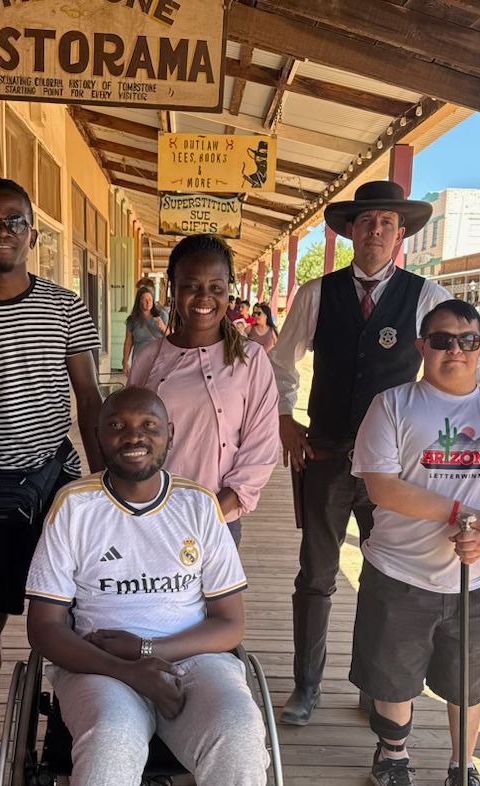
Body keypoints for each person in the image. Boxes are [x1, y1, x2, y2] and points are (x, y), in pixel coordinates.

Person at [26, 386, 267, 786]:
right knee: (109, 742)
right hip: (99, 666)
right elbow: (46, 630)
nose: (134, 436)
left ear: (170, 435)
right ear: (99, 437)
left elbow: (229, 623)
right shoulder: (75, 506)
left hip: (192, 657)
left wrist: (151, 648)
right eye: (118, 426)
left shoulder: (198, 505)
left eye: (149, 426)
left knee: (238, 737)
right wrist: (130, 668)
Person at [351, 300, 480, 786]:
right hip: (400, 571)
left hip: (477, 577)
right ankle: (393, 756)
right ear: (421, 346)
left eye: (466, 340)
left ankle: (464, 766)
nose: (453, 349)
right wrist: (463, 514)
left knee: (468, 682)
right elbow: (382, 486)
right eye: (440, 339)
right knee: (394, 678)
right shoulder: (392, 404)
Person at [0, 177, 103, 786]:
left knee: (72, 613)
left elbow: (87, 397)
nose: (2, 230)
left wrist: (102, 485)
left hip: (55, 482)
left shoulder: (66, 305)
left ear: (33, 235)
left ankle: (72, 729)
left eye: (15, 221)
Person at [271, 179, 451, 725]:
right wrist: (285, 419)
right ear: (351, 230)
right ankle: (306, 685)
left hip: (394, 471)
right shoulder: (316, 293)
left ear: (401, 234)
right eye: (366, 221)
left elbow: (456, 374)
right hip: (325, 457)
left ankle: (376, 685)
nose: (375, 230)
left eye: (387, 223)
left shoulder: (427, 297)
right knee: (315, 576)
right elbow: (282, 362)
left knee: (389, 577)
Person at [128, 235, 279, 546]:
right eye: (191, 286)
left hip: (219, 523)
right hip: (152, 519)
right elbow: (130, 440)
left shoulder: (251, 360)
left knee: (218, 597)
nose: (203, 297)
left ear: (228, 290)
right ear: (173, 288)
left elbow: (261, 451)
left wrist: (209, 516)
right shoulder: (148, 358)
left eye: (215, 287)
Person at [121, 283, 168, 376]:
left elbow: (170, 337)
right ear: (139, 301)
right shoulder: (132, 319)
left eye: (150, 299)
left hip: (158, 360)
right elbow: (128, 342)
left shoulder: (161, 315)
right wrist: (125, 362)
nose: (148, 302)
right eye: (145, 299)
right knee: (139, 387)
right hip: (139, 360)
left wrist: (163, 327)